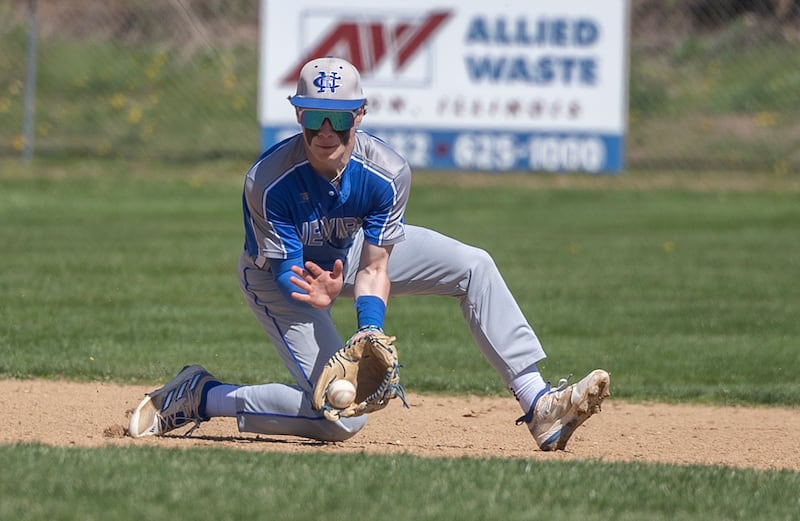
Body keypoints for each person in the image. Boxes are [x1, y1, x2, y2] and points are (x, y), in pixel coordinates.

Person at [128, 56, 610, 451]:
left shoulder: (387, 173)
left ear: (360, 114)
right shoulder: (268, 181)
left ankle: (539, 404)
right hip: (280, 280)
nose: (325, 131)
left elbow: (376, 264)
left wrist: (370, 327)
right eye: (314, 115)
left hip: (352, 254)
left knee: (473, 266)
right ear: (298, 115)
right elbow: (284, 268)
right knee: (339, 421)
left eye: (338, 117)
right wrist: (315, 289)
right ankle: (202, 396)